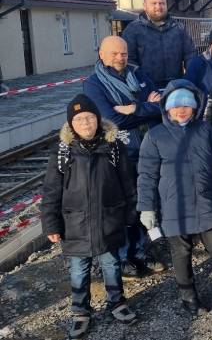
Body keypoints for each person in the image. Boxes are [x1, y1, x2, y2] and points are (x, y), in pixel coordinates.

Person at [137, 79, 212, 316]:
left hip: (207, 202)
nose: (181, 110)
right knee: (181, 253)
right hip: (174, 205)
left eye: (186, 105)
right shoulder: (155, 136)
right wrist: (147, 208)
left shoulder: (207, 132)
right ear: (167, 108)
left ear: (195, 106)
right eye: (175, 105)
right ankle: (188, 296)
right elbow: (147, 175)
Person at [41, 95, 138, 338]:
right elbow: (51, 191)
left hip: (109, 218)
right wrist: (51, 224)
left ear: (98, 119)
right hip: (74, 223)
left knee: (111, 263)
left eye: (90, 117)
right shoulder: (62, 152)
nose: (85, 123)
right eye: (79, 119)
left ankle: (117, 302)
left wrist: (130, 214)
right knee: (78, 270)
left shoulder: (114, 147)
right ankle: (80, 312)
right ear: (71, 124)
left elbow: (128, 183)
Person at [83, 35, 164, 279]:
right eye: (115, 53)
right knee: (123, 207)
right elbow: (111, 120)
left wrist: (134, 108)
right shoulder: (94, 84)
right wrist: (146, 108)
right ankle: (123, 257)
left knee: (145, 202)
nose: (120, 58)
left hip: (147, 149)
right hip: (118, 154)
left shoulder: (138, 74)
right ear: (102, 55)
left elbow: (162, 107)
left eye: (124, 53)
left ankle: (142, 251)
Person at [121, 0, 197, 89]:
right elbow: (129, 61)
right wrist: (142, 84)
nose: (158, 7)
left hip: (176, 87)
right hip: (146, 88)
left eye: (162, 3)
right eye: (154, 3)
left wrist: (188, 80)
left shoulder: (179, 28)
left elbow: (190, 55)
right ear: (145, 6)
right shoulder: (133, 30)